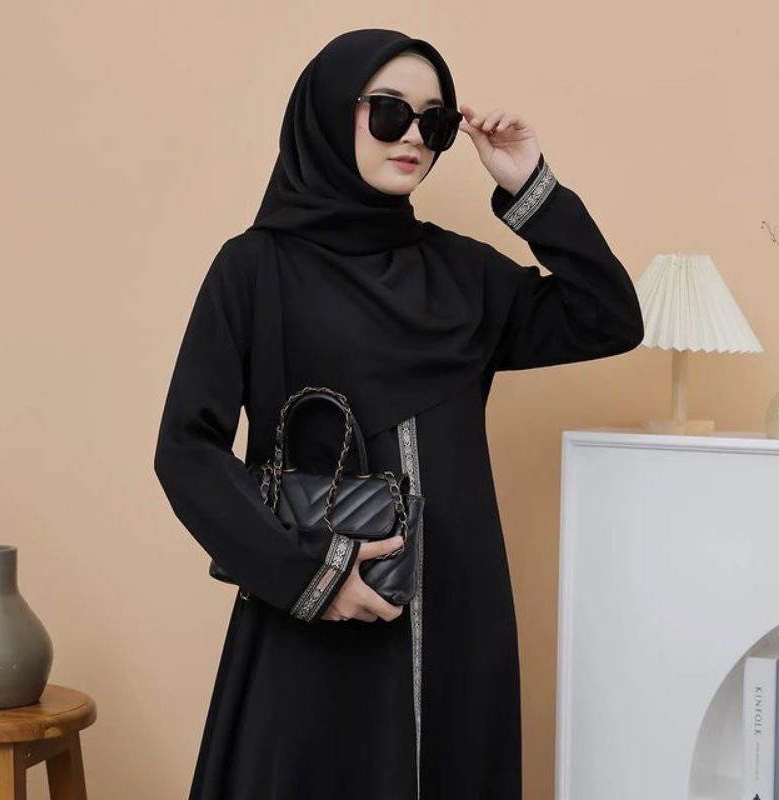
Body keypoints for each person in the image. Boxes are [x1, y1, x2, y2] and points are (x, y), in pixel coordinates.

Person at [153, 27, 644, 800]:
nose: (413, 135)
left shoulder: (461, 274)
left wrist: (530, 185)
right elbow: (186, 449)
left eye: (434, 121)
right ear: (328, 111)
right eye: (388, 112)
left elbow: (608, 318)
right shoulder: (256, 268)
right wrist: (312, 575)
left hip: (458, 610)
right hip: (319, 611)